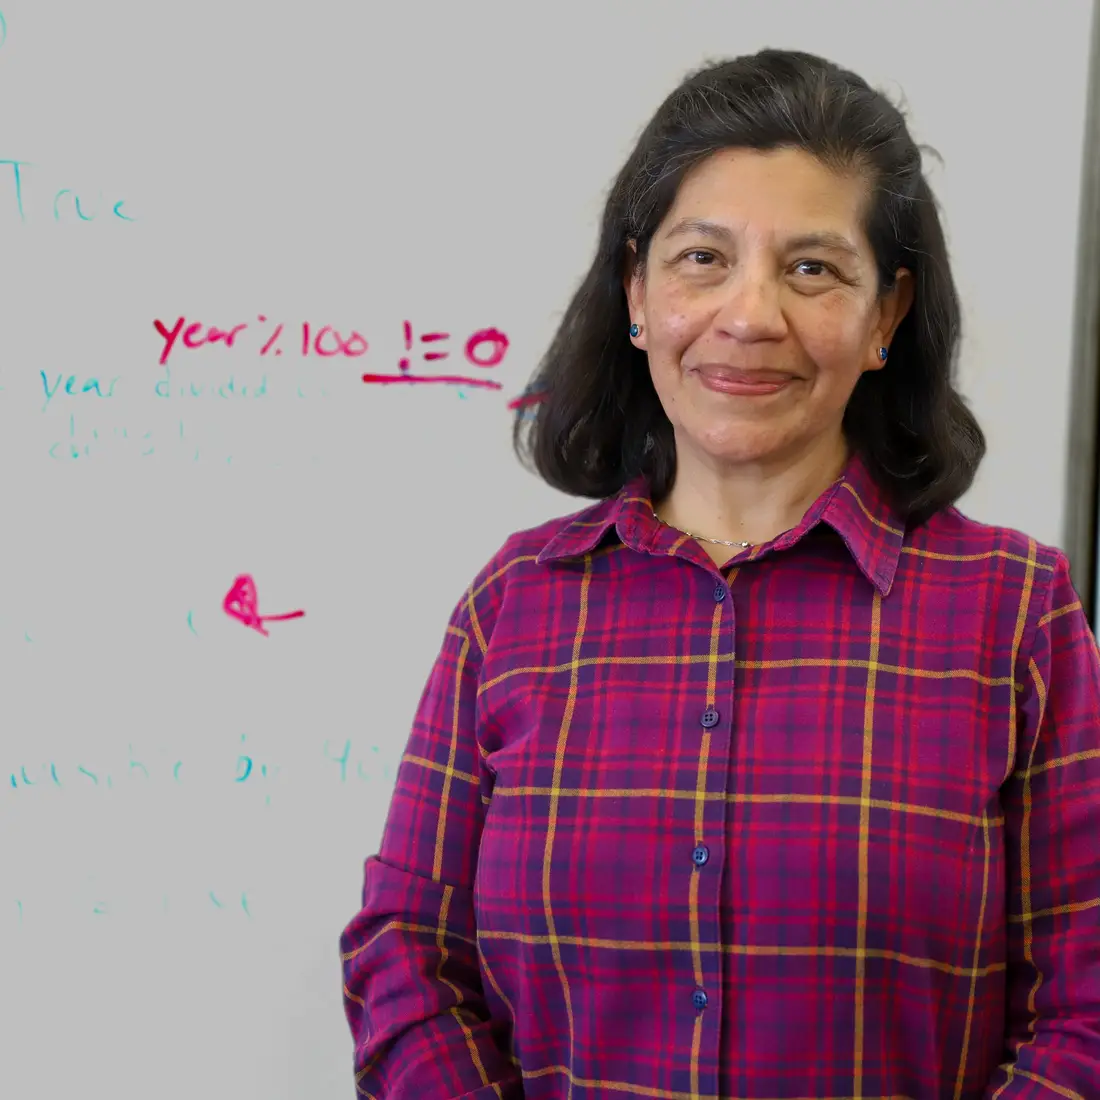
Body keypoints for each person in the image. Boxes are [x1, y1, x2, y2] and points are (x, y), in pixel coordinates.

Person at [339, 47, 1100, 1099]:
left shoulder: (1015, 614)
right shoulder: (511, 607)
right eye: (702, 258)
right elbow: (405, 955)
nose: (748, 315)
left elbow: (1085, 1008)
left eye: (811, 267)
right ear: (636, 292)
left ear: (883, 315)